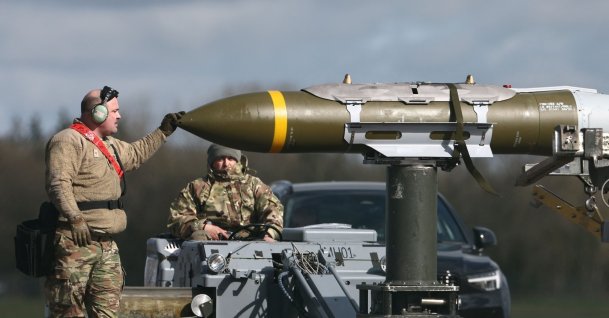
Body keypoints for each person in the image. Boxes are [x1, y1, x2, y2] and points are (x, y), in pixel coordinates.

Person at [44, 85, 184, 317]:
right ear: (97, 113)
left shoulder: (112, 146)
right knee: (68, 311)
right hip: (75, 242)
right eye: (114, 110)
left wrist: (163, 132)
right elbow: (58, 184)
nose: (120, 115)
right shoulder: (68, 141)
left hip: (107, 245)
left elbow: (137, 153)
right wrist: (75, 218)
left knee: (108, 312)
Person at [167, 144, 283, 242]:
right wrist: (203, 227)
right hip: (213, 242)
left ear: (237, 160)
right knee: (198, 237)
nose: (226, 163)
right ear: (212, 162)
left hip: (251, 240)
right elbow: (176, 218)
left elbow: (273, 210)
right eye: (220, 159)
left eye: (230, 158)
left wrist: (269, 234)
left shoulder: (254, 184)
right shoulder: (197, 187)